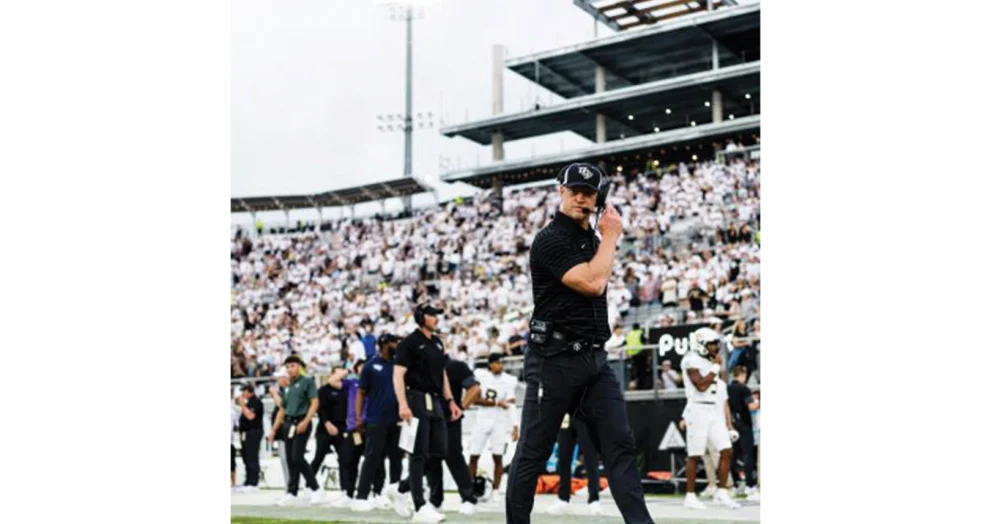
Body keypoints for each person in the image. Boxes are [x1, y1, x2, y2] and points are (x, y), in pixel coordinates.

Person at [507, 162, 654, 524]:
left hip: (593, 360)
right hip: (552, 361)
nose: (580, 198)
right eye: (574, 190)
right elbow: (592, 283)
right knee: (532, 453)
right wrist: (612, 236)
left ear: (597, 197)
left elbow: (597, 278)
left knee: (620, 447)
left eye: (588, 193)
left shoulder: (591, 237)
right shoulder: (550, 239)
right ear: (561, 190)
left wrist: (604, 236)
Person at [392, 303, 463, 523]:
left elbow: (441, 374)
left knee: (439, 451)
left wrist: (450, 400)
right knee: (418, 452)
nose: (436, 319)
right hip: (416, 397)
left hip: (435, 400)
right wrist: (403, 405)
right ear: (421, 317)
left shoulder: (438, 342)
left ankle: (401, 488)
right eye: (432, 315)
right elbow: (398, 375)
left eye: (436, 315)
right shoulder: (409, 343)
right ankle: (419, 506)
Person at [680, 327, 740, 510]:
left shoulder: (712, 361)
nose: (716, 347)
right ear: (702, 345)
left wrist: (728, 423)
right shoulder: (690, 360)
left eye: (716, 343)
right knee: (695, 455)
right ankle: (690, 496)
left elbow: (719, 390)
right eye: (712, 344)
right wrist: (715, 367)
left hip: (714, 410)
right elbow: (701, 386)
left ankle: (722, 492)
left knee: (726, 450)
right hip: (697, 410)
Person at [352, 334, 409, 514]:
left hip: (397, 420)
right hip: (375, 420)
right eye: (394, 342)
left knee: (396, 460)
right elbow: (361, 393)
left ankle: (396, 495)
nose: (397, 345)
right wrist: (359, 418)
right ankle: (361, 497)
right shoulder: (370, 366)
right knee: (371, 458)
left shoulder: (399, 365)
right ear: (384, 344)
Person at [270, 356, 325, 506]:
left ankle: (315, 489)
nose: (290, 369)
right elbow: (283, 408)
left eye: (292, 366)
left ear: (300, 367)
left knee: (297, 458)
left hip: (301, 421)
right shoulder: (288, 386)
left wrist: (306, 421)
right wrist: (274, 430)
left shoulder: (307, 381)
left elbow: (315, 402)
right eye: (287, 367)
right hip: (288, 423)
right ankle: (291, 492)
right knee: (290, 460)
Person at [468, 353, 519, 504]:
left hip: (500, 422)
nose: (500, 366)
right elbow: (475, 400)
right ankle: (469, 489)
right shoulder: (481, 376)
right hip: (482, 419)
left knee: (498, 457)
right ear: (490, 364)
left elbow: (510, 404)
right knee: (473, 455)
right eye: (496, 363)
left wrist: (515, 425)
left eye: (501, 363)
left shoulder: (509, 380)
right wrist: (498, 403)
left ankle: (496, 491)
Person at [546, 414, 601, 516]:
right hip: (567, 414)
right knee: (563, 456)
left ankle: (594, 498)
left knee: (590, 456)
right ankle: (563, 498)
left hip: (584, 413)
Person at [310, 367, 348, 486]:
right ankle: (309, 485)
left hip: (341, 429)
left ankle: (345, 489)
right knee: (318, 458)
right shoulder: (323, 390)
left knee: (344, 459)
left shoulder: (346, 389)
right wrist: (327, 423)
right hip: (324, 429)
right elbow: (321, 409)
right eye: (338, 373)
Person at [727, 366, 760, 502]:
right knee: (748, 455)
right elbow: (751, 406)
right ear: (741, 374)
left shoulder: (727, 389)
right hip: (745, 424)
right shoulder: (743, 389)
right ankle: (750, 486)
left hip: (732, 423)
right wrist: (759, 402)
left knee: (733, 455)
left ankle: (735, 485)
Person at [237, 385, 264, 492]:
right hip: (245, 433)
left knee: (252, 457)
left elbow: (251, 416)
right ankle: (248, 480)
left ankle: (254, 482)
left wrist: (243, 406)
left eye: (244, 391)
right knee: (246, 457)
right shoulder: (248, 403)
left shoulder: (256, 402)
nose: (242, 394)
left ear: (249, 392)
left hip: (253, 432)